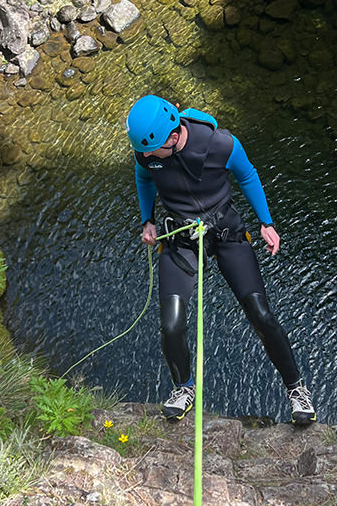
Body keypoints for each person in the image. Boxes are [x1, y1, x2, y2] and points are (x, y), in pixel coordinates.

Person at [125, 95, 315, 425]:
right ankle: (183, 388)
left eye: (149, 151)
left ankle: (297, 390)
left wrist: (266, 223)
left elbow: (248, 176)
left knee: (260, 313)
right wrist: (148, 219)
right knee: (171, 325)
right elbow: (144, 178)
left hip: (225, 231)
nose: (143, 157)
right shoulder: (147, 151)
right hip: (181, 236)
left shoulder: (221, 144)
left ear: (173, 137)